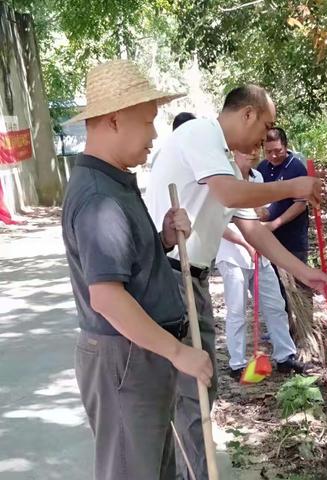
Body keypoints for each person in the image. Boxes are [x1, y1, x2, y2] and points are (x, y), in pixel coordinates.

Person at [145, 84, 327, 480]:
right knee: (191, 392)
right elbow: (229, 192)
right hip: (169, 274)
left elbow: (255, 230)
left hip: (191, 279)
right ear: (247, 114)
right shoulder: (200, 134)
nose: (264, 138)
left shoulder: (226, 164)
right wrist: (294, 186)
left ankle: (192, 471)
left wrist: (305, 274)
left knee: (199, 390)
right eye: (265, 126)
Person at [61, 59, 213, 480]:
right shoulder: (98, 197)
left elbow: (127, 266)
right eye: (146, 122)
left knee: (152, 468)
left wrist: (162, 239)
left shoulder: (114, 182)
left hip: (139, 355)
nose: (152, 135)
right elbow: (107, 297)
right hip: (124, 361)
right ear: (114, 120)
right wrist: (178, 352)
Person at [216, 149, 305, 380]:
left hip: (260, 254)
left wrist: (263, 214)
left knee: (275, 304)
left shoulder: (257, 178)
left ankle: (285, 356)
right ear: (234, 151)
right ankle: (237, 363)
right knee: (237, 310)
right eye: (247, 149)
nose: (252, 153)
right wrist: (246, 243)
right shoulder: (224, 179)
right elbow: (218, 223)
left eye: (256, 148)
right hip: (233, 254)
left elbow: (261, 214)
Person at [257, 127, 312, 317]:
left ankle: (305, 327)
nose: (273, 156)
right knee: (276, 286)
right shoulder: (261, 168)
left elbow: (300, 204)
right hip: (270, 241)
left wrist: (275, 223)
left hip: (293, 238)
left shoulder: (296, 168)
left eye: (278, 151)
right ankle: (284, 327)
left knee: (299, 282)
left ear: (286, 147)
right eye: (269, 151)